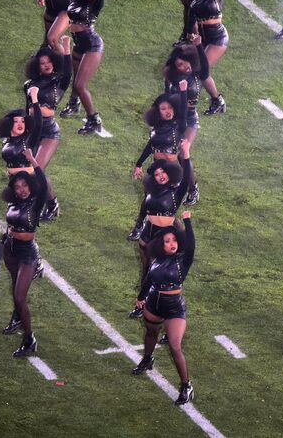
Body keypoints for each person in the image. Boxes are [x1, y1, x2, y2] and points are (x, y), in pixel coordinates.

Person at [131, 211, 197, 406]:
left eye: (174, 240)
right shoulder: (156, 260)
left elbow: (191, 244)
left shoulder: (183, 260)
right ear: (161, 244)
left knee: (175, 346)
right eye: (167, 241)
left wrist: (187, 221)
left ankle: (186, 386)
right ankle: (147, 359)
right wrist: (141, 298)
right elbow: (149, 279)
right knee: (150, 333)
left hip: (174, 307)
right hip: (153, 303)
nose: (172, 243)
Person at [128, 140, 192, 319]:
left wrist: (185, 155)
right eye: (156, 174)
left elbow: (186, 178)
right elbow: (144, 207)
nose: (160, 176)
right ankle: (143, 303)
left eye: (163, 172)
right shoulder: (151, 190)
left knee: (165, 276)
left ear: (170, 173)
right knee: (147, 271)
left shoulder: (175, 192)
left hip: (165, 236)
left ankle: (173, 314)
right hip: (148, 234)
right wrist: (139, 224)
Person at [0, 149, 48, 355]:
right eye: (17, 187)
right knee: (15, 288)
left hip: (28, 253)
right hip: (10, 249)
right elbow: (9, 226)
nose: (21, 190)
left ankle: (29, 339)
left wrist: (32, 161)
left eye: (24, 185)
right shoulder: (13, 202)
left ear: (30, 186)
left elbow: (44, 185)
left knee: (20, 297)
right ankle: (18, 317)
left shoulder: (35, 204)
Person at [49, 0, 107, 134]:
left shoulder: (94, 5)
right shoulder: (75, 3)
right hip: (79, 45)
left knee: (80, 85)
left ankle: (93, 120)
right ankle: (73, 104)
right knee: (76, 79)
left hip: (92, 45)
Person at [128, 88, 189, 241]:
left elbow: (183, 108)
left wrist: (183, 91)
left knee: (169, 208)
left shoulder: (179, 125)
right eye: (163, 108)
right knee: (149, 199)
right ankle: (140, 226)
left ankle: (182, 237)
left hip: (172, 172)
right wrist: (139, 163)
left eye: (170, 107)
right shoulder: (155, 129)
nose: (168, 111)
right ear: (157, 111)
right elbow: (150, 146)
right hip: (157, 170)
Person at [24, 40, 72, 220]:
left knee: (38, 170)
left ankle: (52, 204)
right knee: (28, 170)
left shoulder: (59, 82)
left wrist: (66, 48)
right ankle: (37, 201)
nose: (46, 65)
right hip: (32, 131)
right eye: (42, 63)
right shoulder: (29, 85)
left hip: (49, 132)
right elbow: (27, 109)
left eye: (49, 62)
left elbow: (68, 72)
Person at [164, 37, 210, 205]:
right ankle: (176, 183)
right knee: (168, 154)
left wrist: (198, 45)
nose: (184, 67)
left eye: (185, 63)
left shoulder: (197, 76)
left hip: (189, 120)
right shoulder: (171, 78)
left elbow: (206, 69)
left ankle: (193, 189)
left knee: (184, 152)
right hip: (174, 120)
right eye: (179, 66)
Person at [186, 0, 229, 115]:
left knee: (202, 72)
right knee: (194, 70)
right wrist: (191, 33)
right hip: (204, 39)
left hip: (218, 38)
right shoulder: (194, 0)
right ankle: (210, 100)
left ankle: (217, 100)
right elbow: (190, 21)